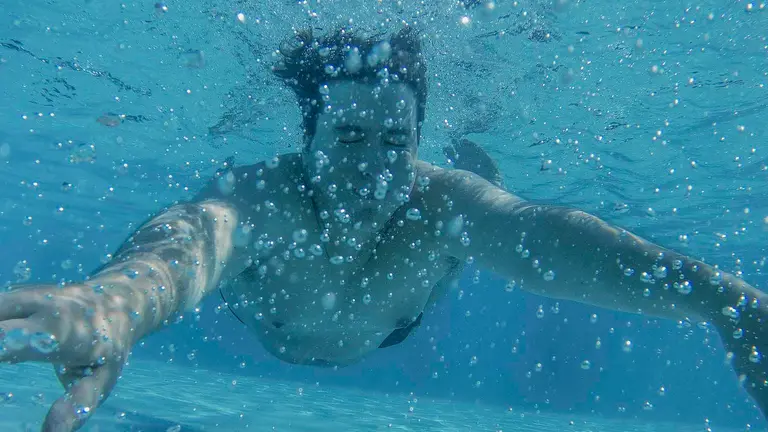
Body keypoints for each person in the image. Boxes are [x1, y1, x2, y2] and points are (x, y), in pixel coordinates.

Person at [0, 26, 766, 432]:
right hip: (288, 312)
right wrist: (109, 308)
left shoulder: (437, 201)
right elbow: (192, 240)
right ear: (309, 141)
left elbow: (542, 238)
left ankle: (477, 161)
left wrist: (719, 299)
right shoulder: (265, 197)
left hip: (396, 319)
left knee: (484, 210)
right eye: (348, 141)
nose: (369, 174)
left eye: (394, 144)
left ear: (418, 144)